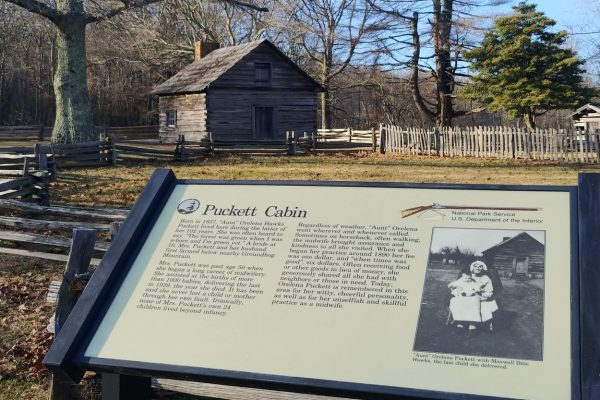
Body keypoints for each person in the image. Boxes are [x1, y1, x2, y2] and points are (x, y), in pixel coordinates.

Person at [448, 260, 498, 334]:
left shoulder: (486, 278)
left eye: (480, 266)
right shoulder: (468, 275)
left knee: (474, 302)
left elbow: (489, 292)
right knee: (455, 301)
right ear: (472, 267)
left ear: (483, 268)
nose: (477, 268)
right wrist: (456, 289)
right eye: (475, 266)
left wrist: (481, 293)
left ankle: (472, 326)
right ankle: (460, 325)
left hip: (480, 297)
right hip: (465, 296)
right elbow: (458, 284)